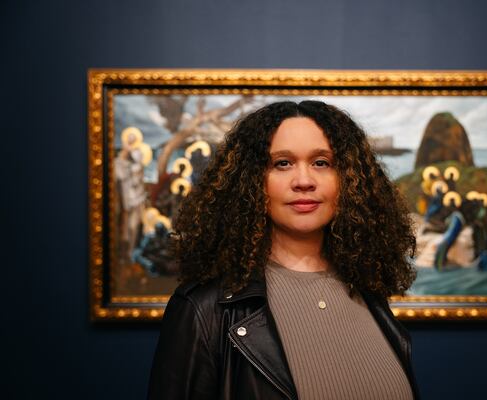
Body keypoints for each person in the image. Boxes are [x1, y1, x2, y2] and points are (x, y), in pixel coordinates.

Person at [148, 100, 419, 400]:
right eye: (282, 163)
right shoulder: (202, 310)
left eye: (321, 162)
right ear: (251, 181)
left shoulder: (368, 292)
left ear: (348, 180)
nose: (304, 181)